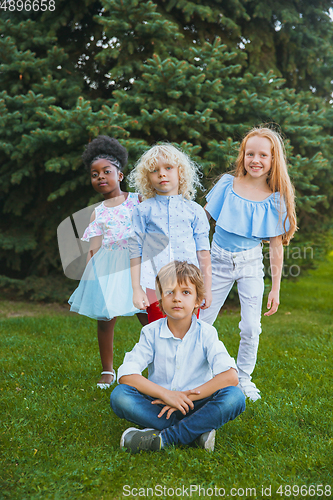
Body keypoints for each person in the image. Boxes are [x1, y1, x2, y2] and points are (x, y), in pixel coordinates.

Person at [200, 126, 297, 401]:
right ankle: (200, 373)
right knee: (203, 319)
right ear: (242, 156)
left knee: (251, 326)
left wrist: (275, 288)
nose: (256, 160)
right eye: (250, 153)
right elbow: (200, 221)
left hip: (250, 264)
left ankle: (243, 378)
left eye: (263, 155)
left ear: (273, 160)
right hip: (217, 260)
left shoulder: (275, 201)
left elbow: (276, 247)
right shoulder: (226, 186)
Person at [110, 261, 245, 453]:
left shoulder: (206, 333)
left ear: (198, 301)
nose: (176, 299)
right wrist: (167, 395)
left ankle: (164, 438)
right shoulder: (151, 332)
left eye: (186, 292)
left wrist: (185, 396)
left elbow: (230, 376)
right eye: (169, 292)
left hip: (198, 403)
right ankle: (196, 432)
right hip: (160, 403)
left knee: (235, 397)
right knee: (120, 396)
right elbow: (126, 374)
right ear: (160, 300)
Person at [68, 136, 148, 389]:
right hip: (110, 268)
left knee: (148, 316)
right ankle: (107, 369)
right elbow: (94, 248)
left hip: (137, 265)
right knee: (105, 319)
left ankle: (156, 364)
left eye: (106, 172)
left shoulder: (138, 200)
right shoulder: (98, 211)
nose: (100, 177)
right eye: (94, 174)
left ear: (120, 175)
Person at [128, 143, 212, 323]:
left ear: (180, 172)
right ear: (146, 177)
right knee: (158, 332)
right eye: (154, 170)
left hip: (189, 284)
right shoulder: (142, 211)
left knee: (188, 332)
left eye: (168, 168)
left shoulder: (194, 211)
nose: (162, 174)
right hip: (154, 284)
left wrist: (207, 289)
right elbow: (136, 251)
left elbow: (203, 252)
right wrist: (137, 288)